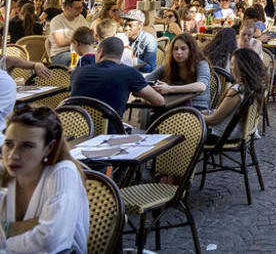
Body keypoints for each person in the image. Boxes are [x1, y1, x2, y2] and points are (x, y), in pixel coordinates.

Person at [1, 105, 89, 254]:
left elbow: (50, 241)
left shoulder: (63, 172)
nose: (13, 155)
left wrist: (4, 238)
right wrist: (26, 227)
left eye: (27, 146)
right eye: (9, 144)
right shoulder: (4, 170)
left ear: (48, 148)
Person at [70, 37, 164, 115]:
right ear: (120, 55)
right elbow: (159, 102)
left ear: (100, 52)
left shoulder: (77, 72)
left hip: (79, 131)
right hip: (111, 132)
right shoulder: (129, 73)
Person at [202, 48, 267, 144]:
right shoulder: (254, 86)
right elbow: (225, 113)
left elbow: (213, 120)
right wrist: (206, 112)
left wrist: (194, 116)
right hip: (239, 132)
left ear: (241, 67)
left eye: (233, 64)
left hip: (222, 136)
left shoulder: (237, 90)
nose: (231, 68)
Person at [151, 34, 212, 111]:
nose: (179, 52)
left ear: (191, 50)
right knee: (151, 115)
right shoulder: (169, 66)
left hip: (197, 106)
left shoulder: (201, 64)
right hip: (174, 104)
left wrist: (169, 89)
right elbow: (148, 79)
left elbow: (201, 86)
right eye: (175, 49)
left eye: (183, 49)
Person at [45, 0, 87, 66]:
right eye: (78, 8)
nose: (81, 10)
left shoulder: (81, 18)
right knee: (80, 60)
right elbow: (60, 41)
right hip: (60, 53)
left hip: (79, 51)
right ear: (67, 8)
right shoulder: (57, 21)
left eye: (81, 7)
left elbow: (87, 34)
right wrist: (79, 40)